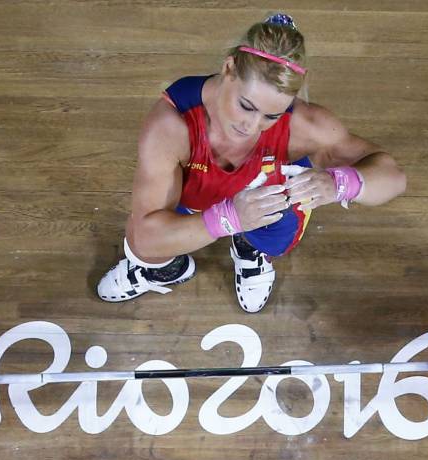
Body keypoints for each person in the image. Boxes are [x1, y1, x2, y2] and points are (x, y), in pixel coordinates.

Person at [97, 12, 407, 313]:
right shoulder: (173, 124)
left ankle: (250, 248)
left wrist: (342, 183)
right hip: (194, 199)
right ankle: (168, 269)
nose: (252, 125)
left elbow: (393, 178)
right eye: (246, 106)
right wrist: (229, 217)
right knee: (142, 246)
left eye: (271, 115)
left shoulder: (305, 125)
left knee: (278, 227)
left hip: (266, 205)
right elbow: (147, 238)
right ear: (229, 68)